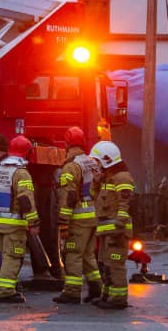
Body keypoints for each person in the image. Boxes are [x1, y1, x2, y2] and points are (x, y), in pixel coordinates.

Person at [0, 135, 38, 305]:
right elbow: (25, 201)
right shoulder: (21, 173)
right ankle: (6, 292)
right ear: (26, 153)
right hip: (14, 225)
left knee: (4, 256)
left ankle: (7, 288)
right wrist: (34, 223)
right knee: (12, 257)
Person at [53, 126, 103, 305]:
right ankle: (96, 287)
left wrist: (63, 222)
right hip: (92, 216)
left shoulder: (70, 167)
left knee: (72, 253)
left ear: (67, 143)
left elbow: (69, 196)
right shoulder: (91, 162)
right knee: (88, 254)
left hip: (78, 219)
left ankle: (72, 292)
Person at [89, 140, 135, 310]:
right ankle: (107, 295)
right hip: (106, 230)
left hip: (116, 230)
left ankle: (118, 299)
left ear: (106, 160)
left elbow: (125, 202)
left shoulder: (122, 177)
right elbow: (94, 195)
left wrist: (119, 225)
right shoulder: (106, 178)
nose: (96, 165)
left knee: (115, 265)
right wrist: (96, 181)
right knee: (105, 264)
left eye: (98, 161)